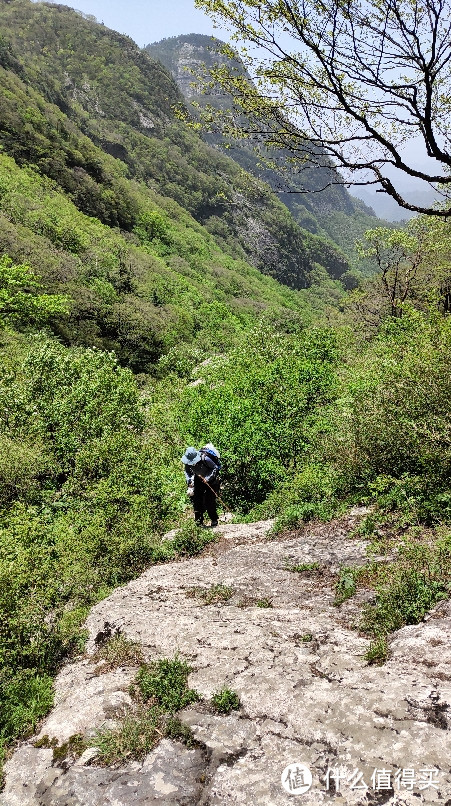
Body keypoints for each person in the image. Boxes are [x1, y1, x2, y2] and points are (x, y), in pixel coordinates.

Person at [181, 443, 221, 527]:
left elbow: (215, 468)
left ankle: (214, 520)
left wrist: (207, 478)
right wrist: (189, 481)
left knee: (209, 501)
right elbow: (187, 471)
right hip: (198, 479)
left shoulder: (205, 458)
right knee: (197, 500)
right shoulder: (188, 462)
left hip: (212, 481)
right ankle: (199, 522)